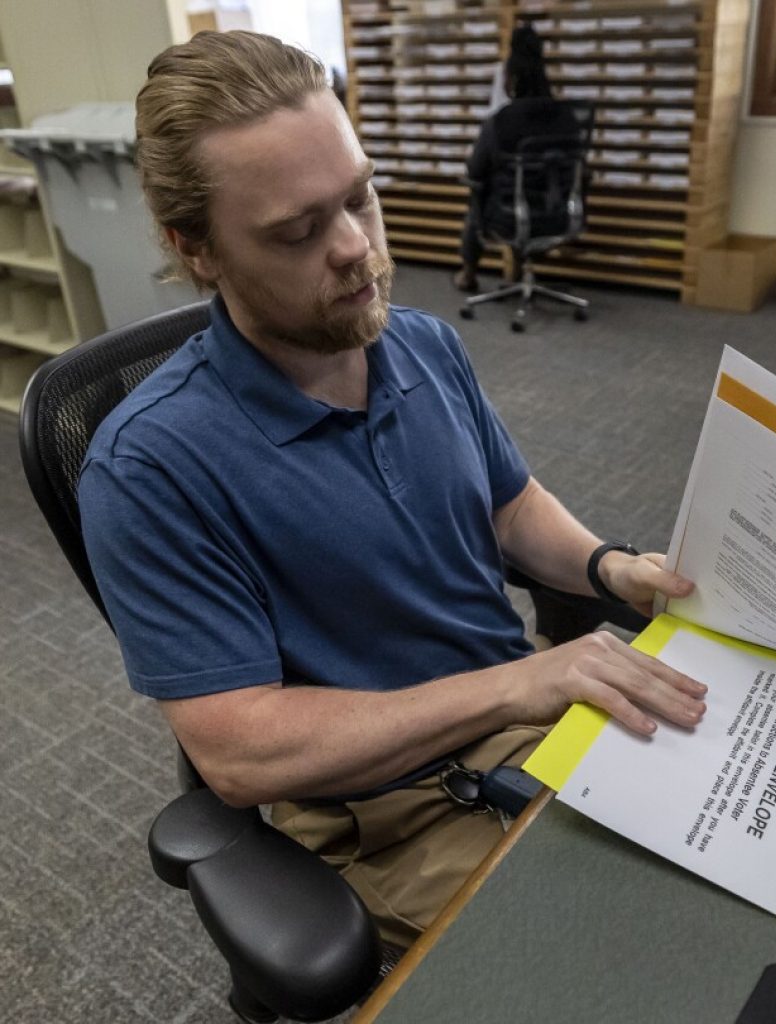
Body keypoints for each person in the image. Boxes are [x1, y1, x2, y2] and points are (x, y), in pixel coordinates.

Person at [77, 30, 707, 949]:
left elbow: (509, 506)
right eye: (297, 230)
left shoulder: (419, 342)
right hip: (394, 812)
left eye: (360, 198)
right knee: (647, 955)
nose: (355, 249)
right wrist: (510, 689)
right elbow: (240, 751)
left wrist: (611, 570)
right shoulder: (149, 469)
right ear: (195, 248)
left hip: (533, 717)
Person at [452, 24, 583, 293]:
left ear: (509, 78)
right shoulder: (568, 117)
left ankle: (468, 273)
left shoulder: (501, 121)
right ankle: (519, 274)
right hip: (560, 213)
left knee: (478, 190)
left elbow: (475, 170)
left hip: (508, 218)